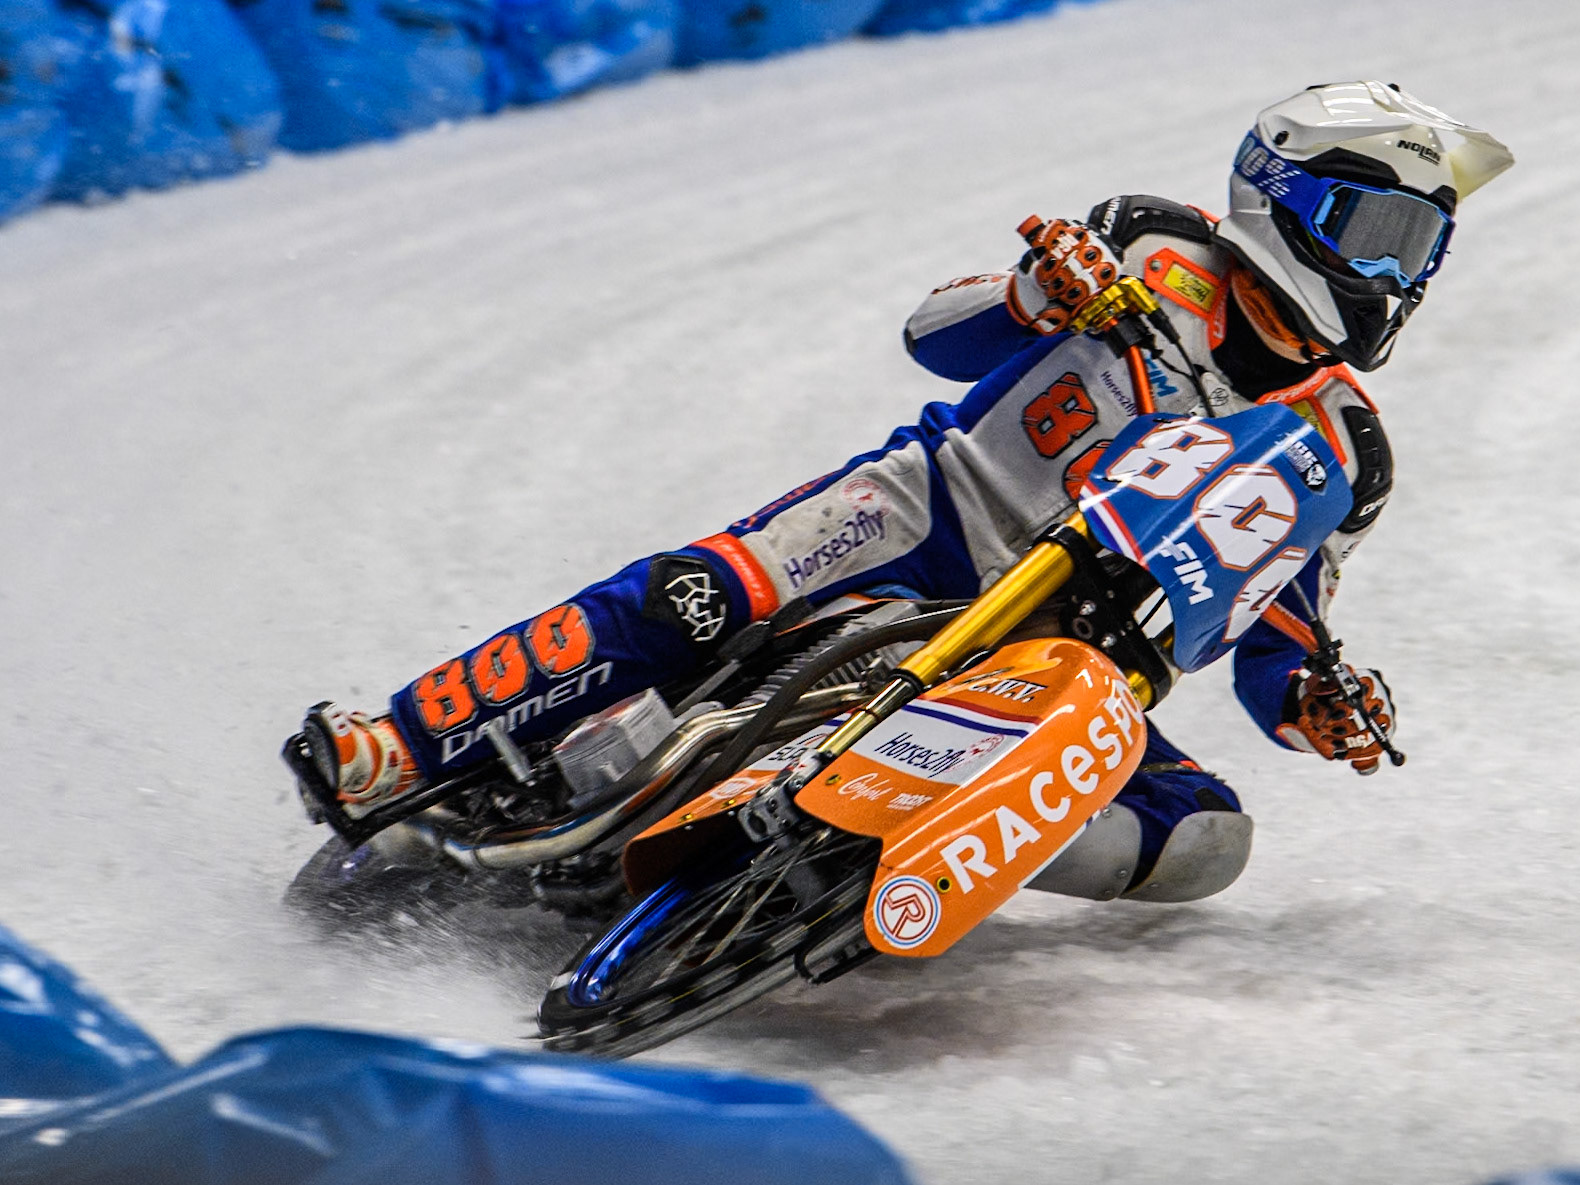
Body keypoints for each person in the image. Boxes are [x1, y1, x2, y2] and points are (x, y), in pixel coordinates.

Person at [300, 81, 1513, 904]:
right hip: (929, 514)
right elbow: (937, 334)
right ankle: (396, 745)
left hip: (1071, 663)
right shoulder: (1148, 248)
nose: (1393, 278)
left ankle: (863, 865)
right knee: (694, 597)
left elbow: (1278, 621)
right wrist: (1039, 297)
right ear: (1292, 201)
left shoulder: (1346, 447)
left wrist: (1315, 694)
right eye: (1378, 233)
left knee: (1205, 841)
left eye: (1419, 250)